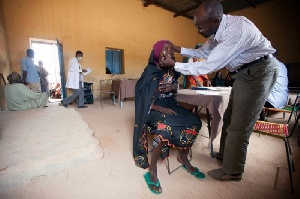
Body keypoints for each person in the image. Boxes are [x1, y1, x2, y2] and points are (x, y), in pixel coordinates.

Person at [160, 0, 278, 181]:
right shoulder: (217, 30)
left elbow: (208, 65)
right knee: (229, 118)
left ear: (215, 21)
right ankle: (225, 155)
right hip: (241, 74)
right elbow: (204, 52)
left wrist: (174, 65)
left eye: (201, 28)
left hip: (258, 72)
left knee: (239, 125)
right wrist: (178, 49)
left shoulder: (236, 31)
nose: (199, 31)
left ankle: (232, 171)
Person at [133, 40, 204, 194]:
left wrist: (175, 86)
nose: (169, 52)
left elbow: (175, 92)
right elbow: (141, 100)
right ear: (158, 54)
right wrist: (160, 107)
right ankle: (152, 169)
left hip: (171, 106)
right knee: (165, 126)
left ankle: (183, 157)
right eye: (165, 49)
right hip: (152, 109)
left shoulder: (174, 71)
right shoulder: (150, 72)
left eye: (171, 50)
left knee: (195, 121)